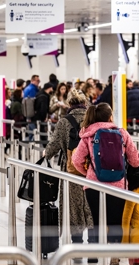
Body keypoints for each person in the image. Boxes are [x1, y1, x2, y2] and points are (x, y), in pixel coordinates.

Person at [72, 103, 139, 265]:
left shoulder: (88, 134)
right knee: (116, 222)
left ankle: (94, 256)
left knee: (95, 221)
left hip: (94, 186)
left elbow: (76, 160)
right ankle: (114, 256)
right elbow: (135, 161)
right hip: (118, 185)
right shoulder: (122, 133)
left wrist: (88, 173)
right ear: (110, 117)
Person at [44, 89, 93, 250]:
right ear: (85, 104)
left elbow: (54, 146)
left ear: (69, 104)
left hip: (71, 171)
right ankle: (93, 249)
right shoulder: (93, 119)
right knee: (92, 206)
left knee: (74, 208)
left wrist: (46, 153)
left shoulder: (64, 122)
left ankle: (77, 247)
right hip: (92, 171)